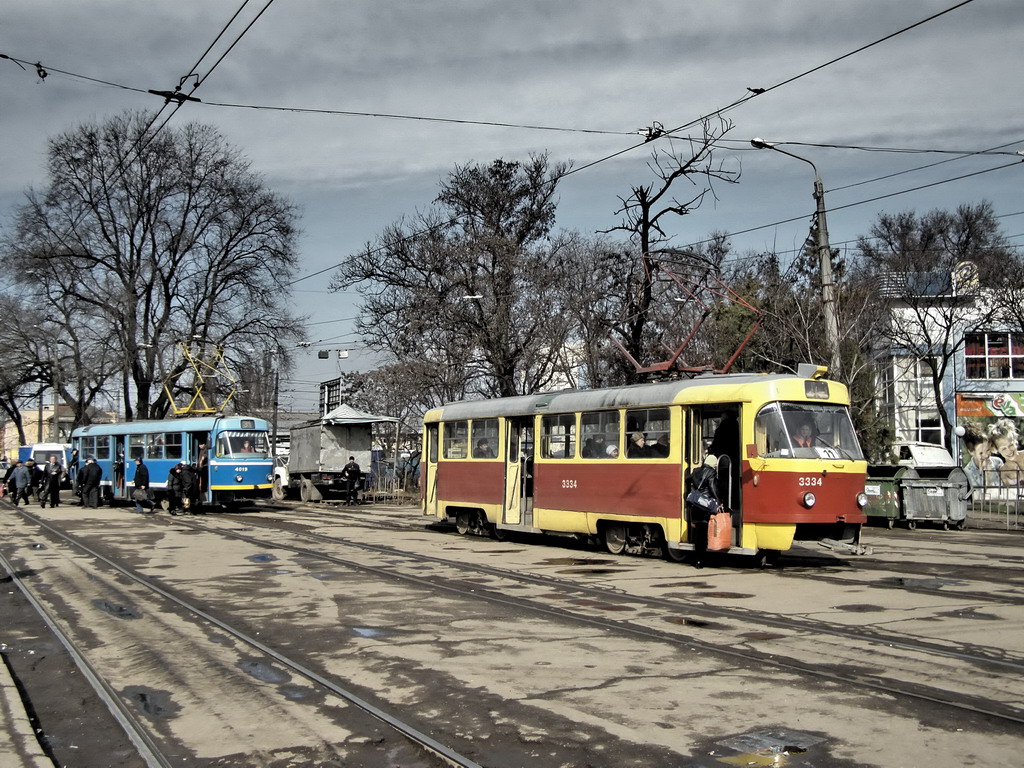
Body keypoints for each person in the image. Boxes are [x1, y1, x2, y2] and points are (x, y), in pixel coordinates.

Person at [686, 454, 723, 568]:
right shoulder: (711, 472)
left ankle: (697, 560)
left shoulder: (696, 470)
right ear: (713, 464)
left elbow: (687, 479)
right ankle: (702, 560)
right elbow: (713, 488)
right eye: (715, 464)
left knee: (698, 534)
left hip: (696, 504)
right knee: (705, 534)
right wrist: (719, 501)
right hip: (706, 506)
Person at [962, 422, 1003, 490]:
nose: (986, 455)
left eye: (988, 450)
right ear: (971, 452)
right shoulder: (967, 474)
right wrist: (987, 476)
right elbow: (980, 498)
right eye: (981, 453)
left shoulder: (997, 463)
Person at [987, 419, 1024, 487]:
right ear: (997, 450)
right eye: (1003, 449)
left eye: (1011, 445)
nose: (1009, 450)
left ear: (1015, 441)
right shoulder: (1003, 472)